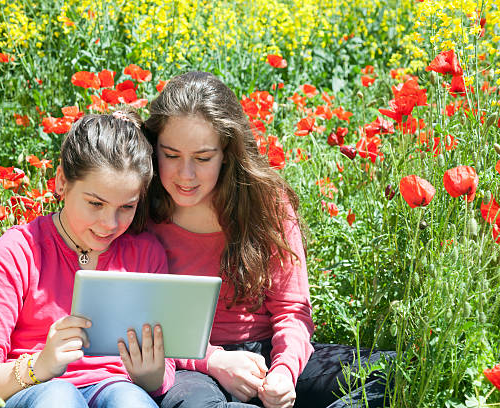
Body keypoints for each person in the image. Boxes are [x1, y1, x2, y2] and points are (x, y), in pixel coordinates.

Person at [144, 71, 395, 408]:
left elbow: (292, 310)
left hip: (269, 352)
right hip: (191, 365)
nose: (185, 175)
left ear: (227, 153)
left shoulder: (266, 202)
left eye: (203, 158)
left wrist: (283, 373)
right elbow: (140, 318)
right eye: (171, 155)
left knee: (394, 371)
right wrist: (214, 361)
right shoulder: (141, 209)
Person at [0, 110, 175, 408]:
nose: (110, 223)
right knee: (59, 398)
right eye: (95, 203)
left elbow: (163, 375)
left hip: (117, 388)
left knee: (130, 400)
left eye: (127, 207)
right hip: (37, 392)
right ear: (61, 182)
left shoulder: (146, 254)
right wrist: (38, 366)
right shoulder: (21, 251)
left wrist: (150, 373)